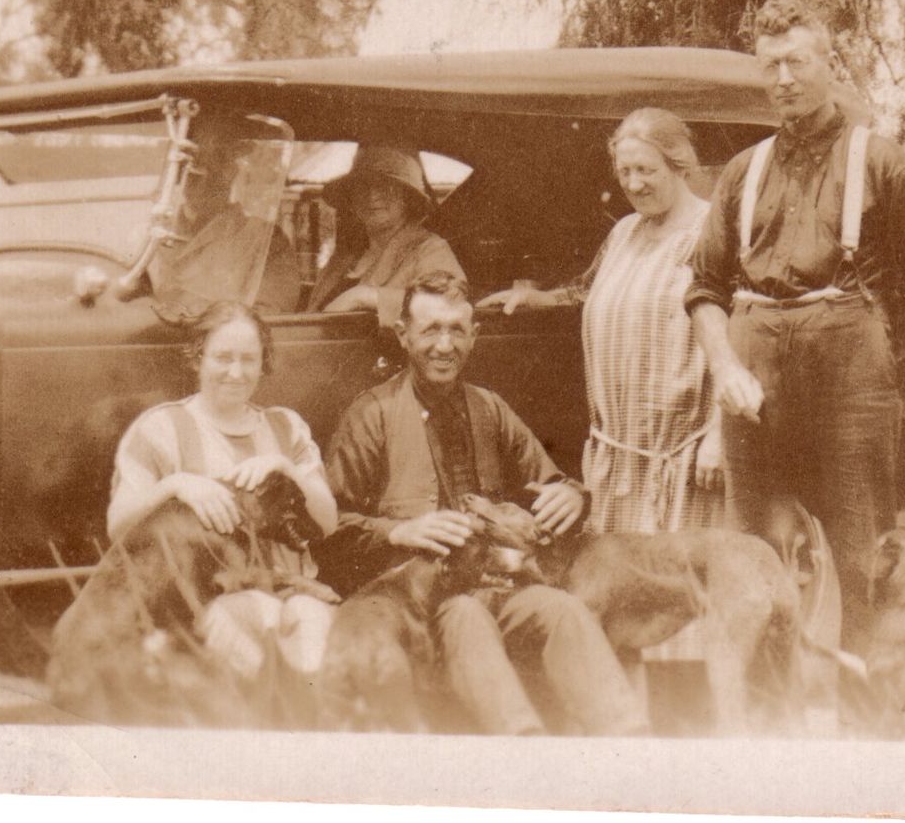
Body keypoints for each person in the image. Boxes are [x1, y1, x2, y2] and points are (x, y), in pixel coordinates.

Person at [685, 0, 905, 652]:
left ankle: (867, 711)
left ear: (828, 64)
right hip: (754, 380)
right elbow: (703, 287)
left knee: (863, 553)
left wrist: (876, 344)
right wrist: (725, 365)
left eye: (797, 63)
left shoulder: (880, 160)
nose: (783, 79)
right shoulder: (741, 173)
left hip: (849, 380)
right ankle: (765, 713)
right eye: (771, 65)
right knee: (752, 557)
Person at [325, 271, 649, 737]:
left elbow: (551, 483)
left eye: (457, 329)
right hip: (420, 603)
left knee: (563, 609)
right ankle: (522, 745)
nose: (444, 345)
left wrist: (572, 495)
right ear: (403, 335)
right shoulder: (371, 414)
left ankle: (631, 743)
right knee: (468, 615)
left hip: (501, 587)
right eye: (431, 329)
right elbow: (329, 529)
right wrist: (397, 531)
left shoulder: (490, 409)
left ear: (474, 335)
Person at [480, 108, 724, 726]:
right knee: (613, 612)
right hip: (618, 459)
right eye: (624, 172)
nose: (635, 183)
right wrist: (536, 297)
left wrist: (721, 430)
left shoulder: (713, 231)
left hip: (679, 459)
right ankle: (621, 734)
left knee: (674, 617)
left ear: (681, 165)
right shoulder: (623, 232)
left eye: (646, 170)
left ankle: (683, 742)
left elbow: (738, 331)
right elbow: (587, 290)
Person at [102, 301, 340, 710]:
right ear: (197, 358)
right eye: (223, 358)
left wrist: (287, 469)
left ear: (264, 362)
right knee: (267, 645)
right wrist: (176, 485)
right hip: (205, 603)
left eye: (249, 359)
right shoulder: (161, 428)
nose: (236, 372)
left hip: (295, 593)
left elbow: (329, 522)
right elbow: (117, 527)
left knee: (314, 645)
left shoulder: (286, 427)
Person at [150, 119, 303, 319]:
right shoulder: (149, 237)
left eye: (215, 166)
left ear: (231, 172)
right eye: (193, 168)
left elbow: (269, 315)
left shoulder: (266, 239)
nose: (203, 178)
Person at [304, 144, 463, 327]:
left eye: (386, 186)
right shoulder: (344, 257)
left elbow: (451, 305)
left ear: (408, 198)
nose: (372, 196)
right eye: (362, 186)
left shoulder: (429, 249)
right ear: (351, 199)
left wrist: (362, 297)